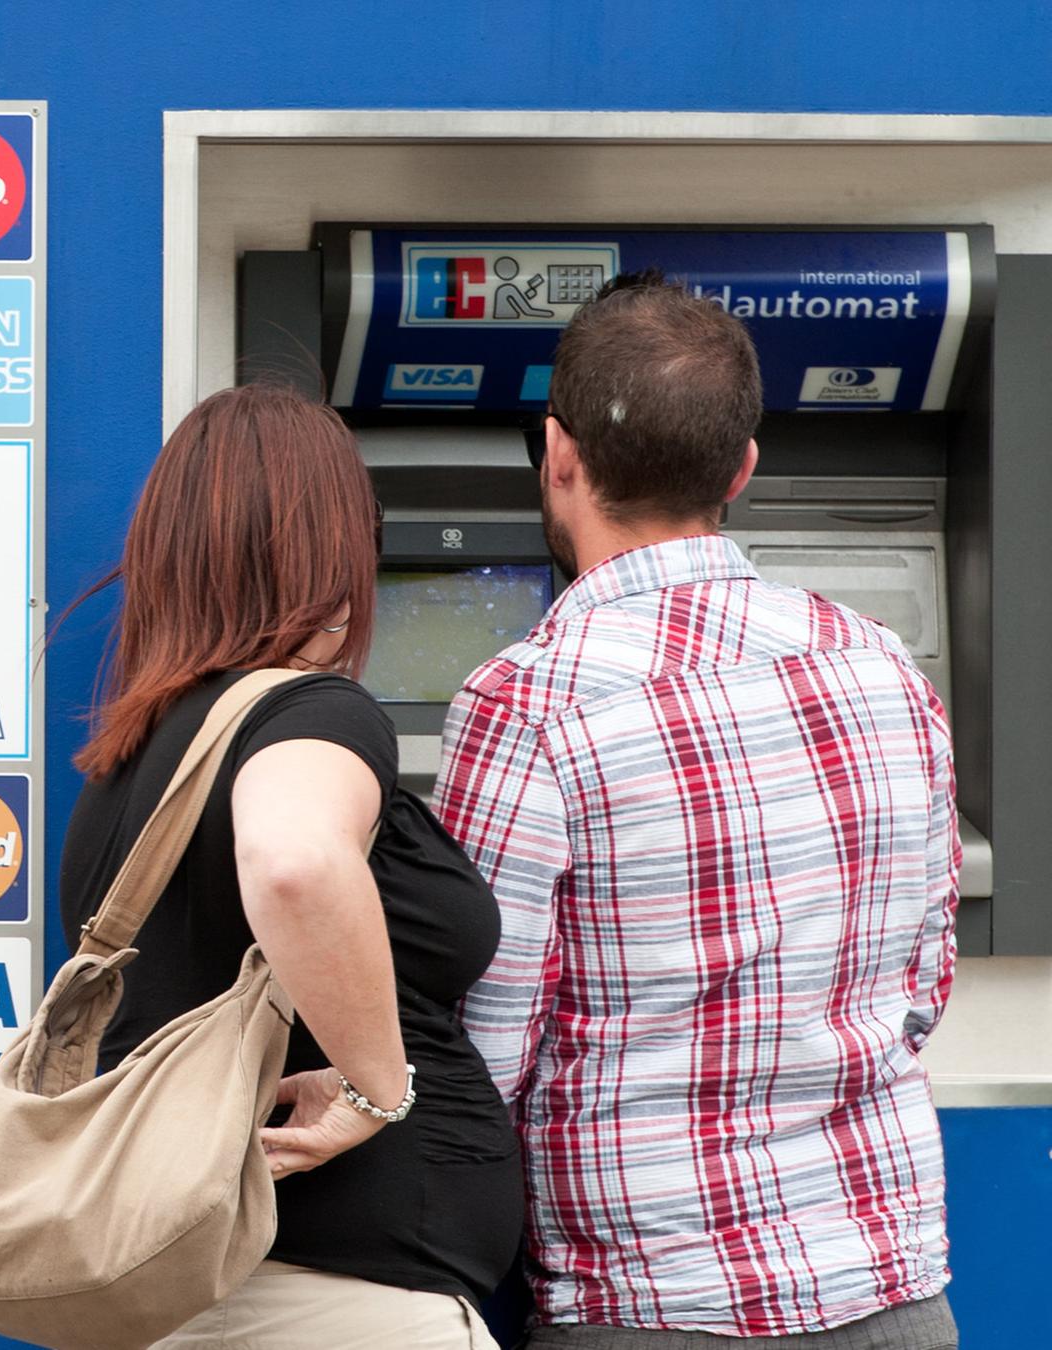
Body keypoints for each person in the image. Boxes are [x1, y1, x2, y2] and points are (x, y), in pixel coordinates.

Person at [435, 273, 960, 1348]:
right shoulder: (881, 663)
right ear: (743, 468)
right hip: (890, 1286)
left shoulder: (528, 702)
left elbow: (481, 1049)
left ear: (559, 453)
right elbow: (923, 981)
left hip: (653, 1301)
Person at [59, 383, 520, 1349]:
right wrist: (373, 1089)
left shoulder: (128, 769)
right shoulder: (313, 709)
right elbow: (296, 860)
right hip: (339, 1308)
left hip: (201, 1294)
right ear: (335, 546)